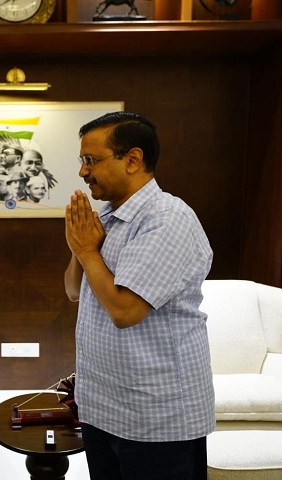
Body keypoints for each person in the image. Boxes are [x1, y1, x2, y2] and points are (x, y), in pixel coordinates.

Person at [63, 112, 214, 480]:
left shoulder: (167, 218)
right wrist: (79, 247)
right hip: (104, 405)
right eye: (82, 161)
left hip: (155, 414)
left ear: (132, 159)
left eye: (91, 160)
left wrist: (86, 251)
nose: (83, 172)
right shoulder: (109, 215)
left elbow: (125, 310)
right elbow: (73, 291)